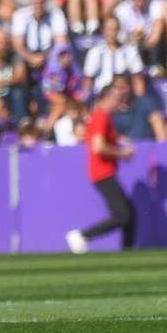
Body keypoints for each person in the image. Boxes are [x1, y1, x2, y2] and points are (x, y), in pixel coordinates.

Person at [66, 80, 136, 254]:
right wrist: (122, 153)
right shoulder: (100, 117)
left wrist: (119, 142)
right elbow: (99, 147)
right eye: (116, 99)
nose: (119, 103)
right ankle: (82, 235)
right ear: (106, 98)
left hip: (104, 172)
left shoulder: (103, 118)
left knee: (130, 214)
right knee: (123, 215)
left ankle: (128, 251)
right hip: (102, 172)